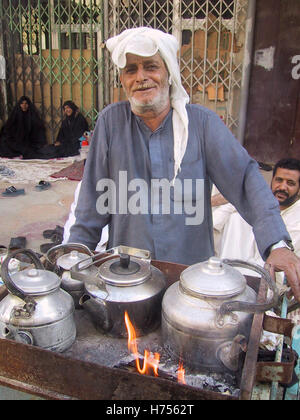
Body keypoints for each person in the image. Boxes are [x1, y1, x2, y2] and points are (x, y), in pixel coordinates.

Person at [67, 27, 300, 302]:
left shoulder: (202, 124)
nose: (141, 77)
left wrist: (277, 243)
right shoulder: (110, 123)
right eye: (131, 70)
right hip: (127, 281)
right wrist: (75, 256)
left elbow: (245, 180)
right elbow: (92, 204)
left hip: (191, 283)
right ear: (122, 79)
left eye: (151, 67)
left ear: (169, 73)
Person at [213, 158, 300, 266]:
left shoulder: (297, 218)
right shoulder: (260, 200)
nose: (282, 187)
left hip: (271, 277)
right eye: (279, 180)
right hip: (235, 270)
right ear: (272, 180)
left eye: (290, 183)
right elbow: (216, 221)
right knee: (235, 217)